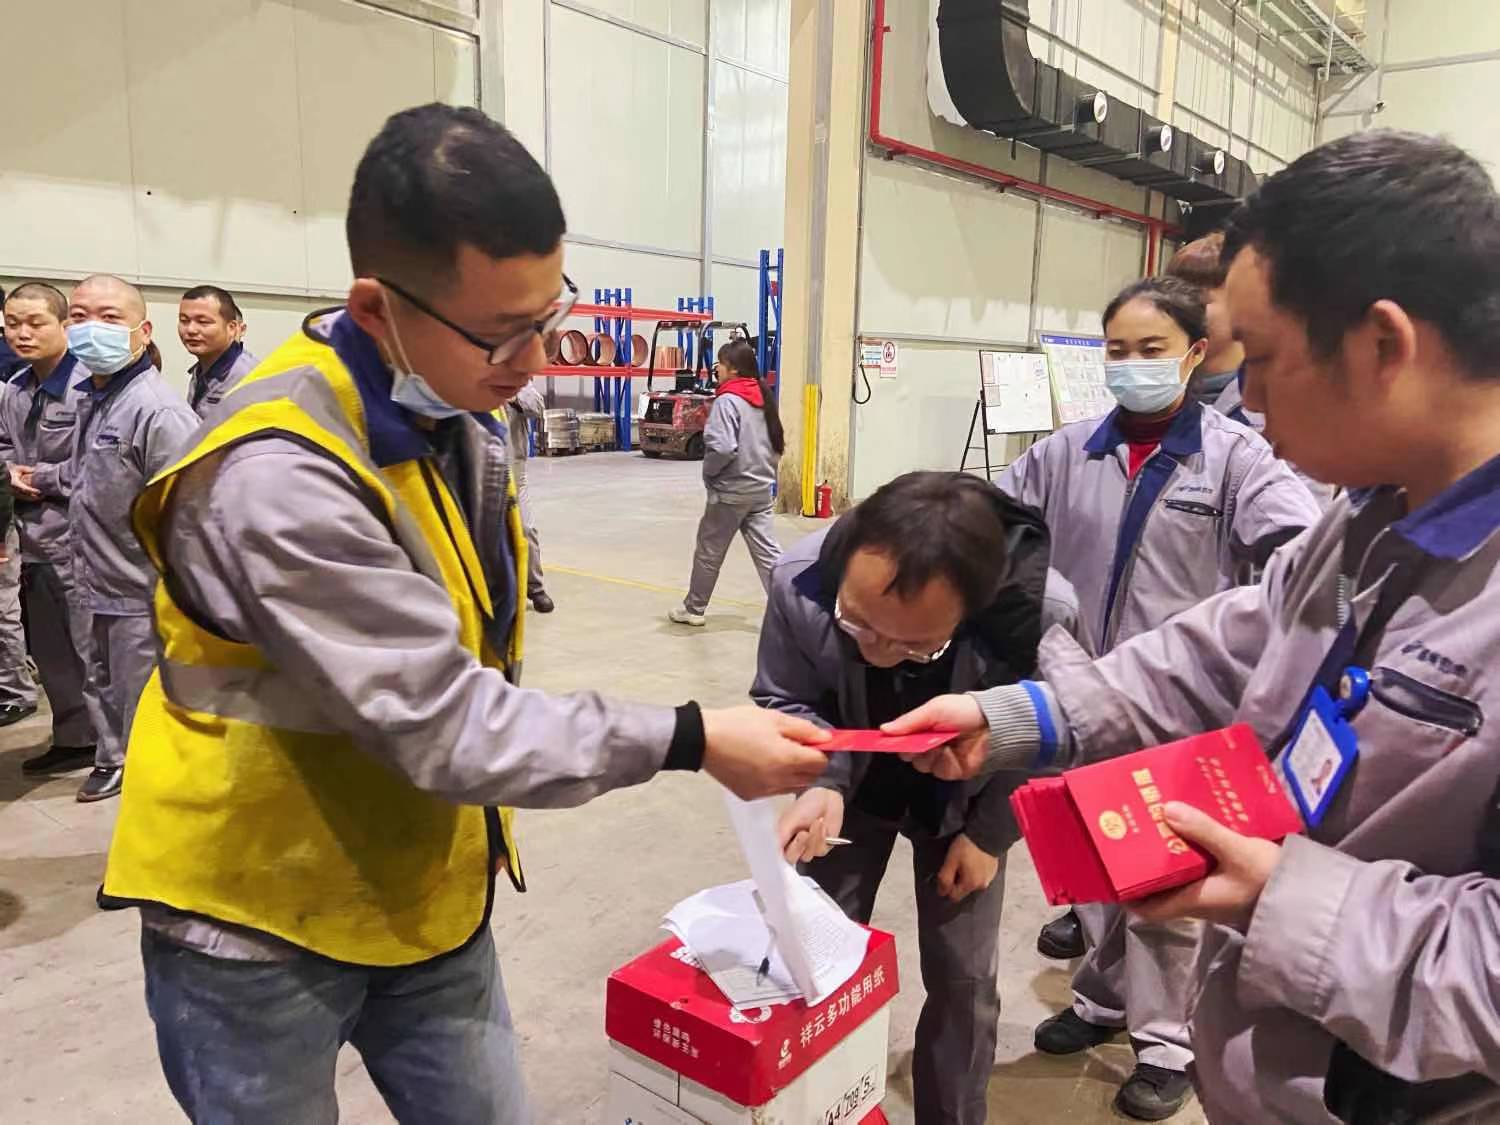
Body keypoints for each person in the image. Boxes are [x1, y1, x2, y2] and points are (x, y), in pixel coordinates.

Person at [101, 103, 831, 1124]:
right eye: (501, 334)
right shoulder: (278, 476)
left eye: (547, 318)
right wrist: (693, 736)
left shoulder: (454, 414)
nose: (535, 362)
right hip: (256, 917)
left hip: (425, 894)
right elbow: (448, 724)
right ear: (376, 307)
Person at [887, 130, 1500, 1124]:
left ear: (1383, 346)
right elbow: (1223, 646)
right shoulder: (1369, 517)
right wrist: (1022, 715)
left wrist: (1279, 898)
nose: (1245, 398)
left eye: (1265, 359)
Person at [995, 275, 1322, 1120]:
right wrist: (1040, 622)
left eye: (1151, 349)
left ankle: (1167, 1043)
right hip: (1080, 692)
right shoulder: (1067, 452)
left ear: (1194, 354)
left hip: (1181, 707)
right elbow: (996, 521)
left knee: (1166, 888)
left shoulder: (1238, 458)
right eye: (1117, 349)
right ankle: (1101, 1000)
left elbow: (1301, 554)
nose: (1131, 364)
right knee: (1094, 866)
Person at [761, 471, 1079, 1125]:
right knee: (818, 956)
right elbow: (786, 696)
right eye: (858, 625)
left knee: (965, 979)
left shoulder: (1036, 613)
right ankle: (823, 1107)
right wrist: (822, 780)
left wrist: (989, 834)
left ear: (972, 609)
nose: (880, 653)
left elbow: (1054, 730)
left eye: (912, 644)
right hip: (853, 790)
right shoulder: (802, 581)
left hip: (969, 796)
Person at [65, 275, 199, 802]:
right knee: (100, 683)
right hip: (94, 576)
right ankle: (113, 759)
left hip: (140, 589)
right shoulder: (92, 398)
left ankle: (142, 777)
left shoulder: (158, 412)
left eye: (109, 317)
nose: (90, 328)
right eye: (79, 317)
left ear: (143, 332)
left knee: (141, 696)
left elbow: (186, 512)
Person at [1166, 233, 1334, 506]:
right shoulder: (1157, 391)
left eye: (1198, 299)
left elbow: (1304, 510)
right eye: (1170, 301)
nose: (1178, 313)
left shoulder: (1285, 405)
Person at [1, 283, 95, 768]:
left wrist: (36, 477)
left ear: (65, 325)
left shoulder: (89, 388)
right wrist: (7, 474)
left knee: (92, 652)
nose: (22, 333)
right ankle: (75, 739)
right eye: (12, 324)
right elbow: (4, 445)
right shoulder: (16, 389)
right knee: (52, 650)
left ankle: (116, 749)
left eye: (35, 323)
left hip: (82, 542)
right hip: (33, 540)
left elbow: (102, 465)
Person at [668, 338, 783, 626]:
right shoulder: (762, 397)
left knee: (709, 551)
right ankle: (789, 610)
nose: (716, 368)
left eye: (721, 363)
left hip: (730, 491)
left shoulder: (728, 400)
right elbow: (775, 443)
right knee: (768, 554)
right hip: (760, 490)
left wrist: (709, 474)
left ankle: (694, 609)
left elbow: (722, 448)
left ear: (734, 369)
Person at [178, 284, 258, 417]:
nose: (191, 330)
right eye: (184, 321)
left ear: (232, 328)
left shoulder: (249, 378)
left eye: (203, 322)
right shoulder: (201, 371)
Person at [508, 380, 553, 612]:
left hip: (514, 469)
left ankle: (535, 588)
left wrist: (513, 396)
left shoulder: (516, 377)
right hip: (481, 467)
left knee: (526, 528)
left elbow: (537, 405)